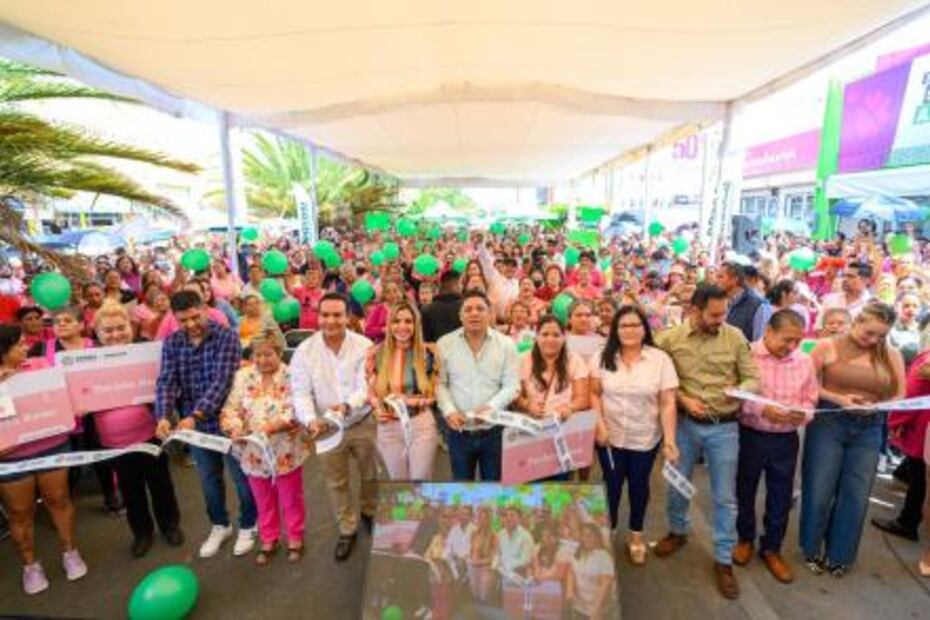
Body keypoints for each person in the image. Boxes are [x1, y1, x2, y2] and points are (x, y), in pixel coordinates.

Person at [653, 284, 760, 600]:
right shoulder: (670, 340)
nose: (720, 319)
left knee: (725, 496)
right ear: (694, 310)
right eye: (714, 314)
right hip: (685, 426)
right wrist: (683, 399)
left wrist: (740, 390)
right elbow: (655, 374)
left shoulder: (735, 336)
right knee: (676, 483)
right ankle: (677, 531)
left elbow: (753, 377)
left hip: (725, 427)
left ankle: (724, 559)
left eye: (724, 312)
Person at [802, 302, 905, 577]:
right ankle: (810, 548)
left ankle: (840, 555)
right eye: (869, 333)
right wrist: (839, 399)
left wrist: (877, 406)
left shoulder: (890, 354)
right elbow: (807, 382)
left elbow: (900, 395)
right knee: (819, 489)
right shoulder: (827, 346)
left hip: (870, 426)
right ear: (857, 321)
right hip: (829, 422)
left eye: (881, 335)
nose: (874, 340)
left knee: (856, 494)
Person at [154, 290, 257, 559]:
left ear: (204, 309)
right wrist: (163, 414)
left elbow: (222, 382)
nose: (190, 325)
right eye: (182, 320)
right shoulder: (172, 343)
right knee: (208, 480)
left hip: (228, 421)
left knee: (241, 478)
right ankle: (220, 525)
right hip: (196, 429)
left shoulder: (226, 336)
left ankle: (249, 524)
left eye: (194, 317)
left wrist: (195, 414)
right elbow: (166, 380)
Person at [0, 325, 88, 595]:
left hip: (52, 445)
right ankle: (30, 566)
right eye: (19, 344)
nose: (27, 346)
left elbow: (63, 396)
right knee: (20, 512)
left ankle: (70, 551)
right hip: (11, 457)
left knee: (59, 500)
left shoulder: (40, 365)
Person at [732, 309, 818, 584]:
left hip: (786, 439)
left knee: (781, 495)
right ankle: (745, 538)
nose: (792, 347)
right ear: (768, 331)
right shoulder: (746, 353)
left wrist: (802, 414)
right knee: (744, 489)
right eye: (786, 339)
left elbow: (810, 399)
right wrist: (760, 409)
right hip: (751, 434)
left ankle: (772, 548)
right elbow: (733, 393)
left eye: (798, 340)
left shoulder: (804, 361)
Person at [290, 292, 376, 561]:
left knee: (370, 474)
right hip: (326, 429)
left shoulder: (364, 345)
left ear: (348, 316)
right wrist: (309, 419)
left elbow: (367, 385)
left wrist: (348, 406)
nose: (331, 321)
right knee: (336, 482)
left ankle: (370, 511)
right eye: (325, 315)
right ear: (318, 316)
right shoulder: (305, 351)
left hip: (362, 422)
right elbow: (300, 392)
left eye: (337, 315)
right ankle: (347, 528)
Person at [92, 302, 183, 558]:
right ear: (97, 333)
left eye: (120, 327)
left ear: (130, 328)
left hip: (150, 434)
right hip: (114, 443)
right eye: (108, 330)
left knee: (161, 484)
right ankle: (142, 534)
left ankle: (170, 526)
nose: (115, 334)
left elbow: (167, 385)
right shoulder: (86, 366)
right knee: (131, 492)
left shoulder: (147, 354)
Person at [590, 305, 678, 565]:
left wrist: (670, 440)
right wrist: (600, 425)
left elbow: (667, 401)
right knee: (612, 486)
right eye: (623, 326)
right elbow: (594, 393)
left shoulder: (659, 359)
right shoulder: (601, 357)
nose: (629, 330)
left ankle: (637, 536)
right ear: (615, 330)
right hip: (609, 438)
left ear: (644, 328)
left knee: (640, 487)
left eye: (635, 325)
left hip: (645, 438)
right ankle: (608, 531)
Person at [220, 329, 309, 565]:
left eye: (267, 354)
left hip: (285, 449)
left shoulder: (292, 375)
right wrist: (234, 427)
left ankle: (295, 537)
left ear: (279, 352)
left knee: (290, 497)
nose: (261, 360)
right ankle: (269, 537)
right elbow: (231, 407)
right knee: (262, 497)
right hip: (252, 451)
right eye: (256, 355)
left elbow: (296, 408)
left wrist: (270, 427)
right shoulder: (242, 375)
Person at [436, 289, 520, 481]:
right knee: (461, 487)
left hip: (494, 431)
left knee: (493, 487)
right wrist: (449, 411)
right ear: (460, 315)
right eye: (468, 309)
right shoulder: (445, 344)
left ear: (490, 314)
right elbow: (440, 384)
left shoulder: (506, 344)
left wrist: (491, 408)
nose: (474, 313)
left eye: (480, 309)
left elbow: (511, 385)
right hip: (459, 432)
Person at [365, 301, 440, 480]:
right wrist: (376, 410)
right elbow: (371, 391)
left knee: (419, 482)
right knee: (399, 484)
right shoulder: (375, 354)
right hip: (388, 428)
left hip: (420, 425)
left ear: (416, 325)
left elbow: (435, 393)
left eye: (408, 321)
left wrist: (407, 401)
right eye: (396, 321)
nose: (402, 327)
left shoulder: (428, 354)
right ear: (389, 325)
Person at [513, 314, 590, 480]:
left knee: (558, 488)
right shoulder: (524, 360)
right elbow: (515, 395)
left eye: (556, 335)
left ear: (564, 337)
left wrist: (569, 407)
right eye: (545, 334)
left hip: (562, 433)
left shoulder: (574, 360)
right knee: (532, 486)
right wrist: (527, 405)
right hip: (532, 434)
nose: (550, 339)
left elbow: (583, 398)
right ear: (537, 336)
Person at [873, 346, 930, 542]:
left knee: (919, 478)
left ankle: (907, 522)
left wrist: (895, 421)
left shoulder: (927, 359)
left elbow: (912, 393)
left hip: (922, 426)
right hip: (922, 423)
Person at [566, 523, 614, 620]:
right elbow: (571, 571)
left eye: (590, 535)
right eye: (584, 535)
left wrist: (596, 611)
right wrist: (569, 590)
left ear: (597, 537)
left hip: (598, 610)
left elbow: (605, 585)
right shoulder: (577, 553)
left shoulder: (604, 557)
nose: (587, 538)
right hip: (578, 607)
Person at [718, 261, 771, 342]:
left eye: (720, 277)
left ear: (734, 279)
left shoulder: (758, 304)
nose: (716, 280)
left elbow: (759, 341)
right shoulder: (719, 298)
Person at [421, 269, 463, 343]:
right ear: (455, 285)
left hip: (435, 352)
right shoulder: (464, 307)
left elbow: (425, 340)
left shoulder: (427, 310)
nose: (462, 287)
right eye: (460, 283)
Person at [469, 506, 498, 602]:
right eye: (479, 518)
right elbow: (471, 552)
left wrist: (477, 562)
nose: (481, 521)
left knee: (483, 598)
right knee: (474, 597)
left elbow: (494, 558)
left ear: (489, 520)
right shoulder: (474, 534)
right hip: (473, 568)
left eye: (484, 518)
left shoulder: (494, 536)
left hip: (487, 570)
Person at [497, 506, 534, 578]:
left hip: (519, 578)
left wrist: (507, 566)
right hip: (503, 576)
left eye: (512, 515)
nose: (508, 518)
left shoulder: (525, 536)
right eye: (507, 515)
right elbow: (499, 554)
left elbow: (526, 560)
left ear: (519, 518)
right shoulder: (501, 534)